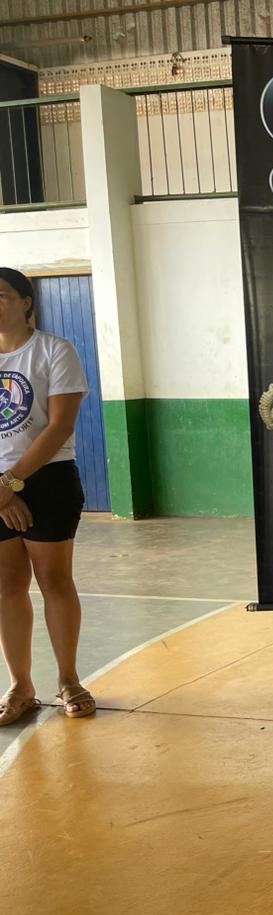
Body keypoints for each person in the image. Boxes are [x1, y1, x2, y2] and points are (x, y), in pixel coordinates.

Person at [0, 267, 92, 728]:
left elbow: (59, 426)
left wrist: (11, 483)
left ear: (25, 302)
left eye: (1, 295)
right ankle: (20, 687)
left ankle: (69, 680)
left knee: (54, 580)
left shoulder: (55, 350)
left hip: (47, 478)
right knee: (6, 586)